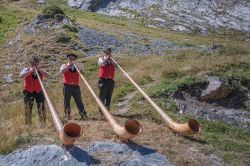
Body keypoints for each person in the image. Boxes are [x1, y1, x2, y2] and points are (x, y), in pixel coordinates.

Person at [20, 56, 49, 125]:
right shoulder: (26, 69)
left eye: (36, 63)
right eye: (33, 63)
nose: (34, 65)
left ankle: (43, 123)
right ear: (30, 63)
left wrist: (39, 70)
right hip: (28, 92)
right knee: (28, 108)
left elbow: (47, 75)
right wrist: (30, 71)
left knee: (42, 107)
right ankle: (28, 124)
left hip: (39, 91)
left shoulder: (40, 70)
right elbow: (21, 76)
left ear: (38, 64)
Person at [60, 53, 88, 120]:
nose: (71, 60)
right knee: (67, 101)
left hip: (76, 86)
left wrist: (78, 67)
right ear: (68, 59)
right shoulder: (64, 65)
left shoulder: (79, 65)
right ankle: (67, 115)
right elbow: (62, 71)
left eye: (73, 59)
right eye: (70, 59)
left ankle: (83, 115)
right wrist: (68, 66)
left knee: (79, 101)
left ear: (75, 59)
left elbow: (82, 73)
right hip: (67, 86)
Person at [98, 48, 117, 113]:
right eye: (106, 52)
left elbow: (116, 66)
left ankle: (107, 111)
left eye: (109, 52)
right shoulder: (101, 59)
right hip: (103, 80)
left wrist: (111, 60)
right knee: (102, 96)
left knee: (109, 96)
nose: (108, 53)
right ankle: (101, 112)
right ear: (104, 53)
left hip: (110, 80)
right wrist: (107, 59)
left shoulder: (113, 60)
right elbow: (102, 64)